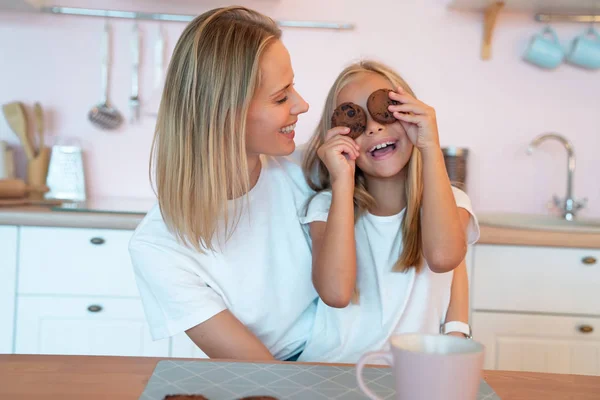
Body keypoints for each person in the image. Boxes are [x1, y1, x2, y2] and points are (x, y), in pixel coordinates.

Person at [128, 6, 318, 361]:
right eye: (281, 96)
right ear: (224, 112)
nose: (302, 105)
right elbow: (261, 372)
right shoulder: (159, 248)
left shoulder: (307, 171)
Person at [296, 60, 480, 362]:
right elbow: (336, 293)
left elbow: (445, 258)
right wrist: (342, 181)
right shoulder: (326, 207)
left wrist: (430, 145)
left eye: (386, 111)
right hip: (333, 370)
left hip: (415, 373)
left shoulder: (452, 202)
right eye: (357, 121)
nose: (373, 126)